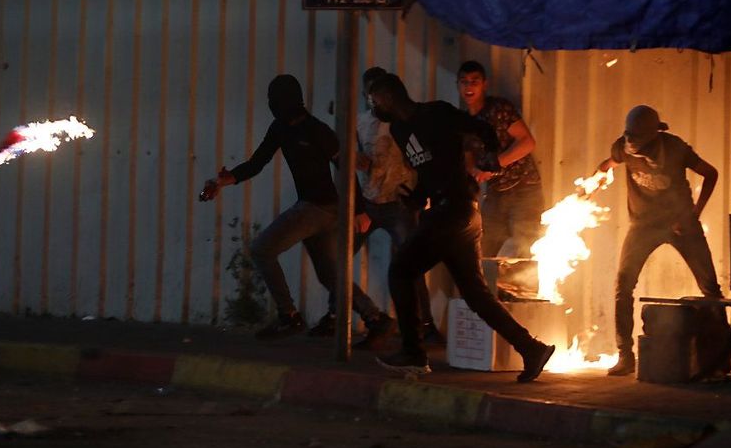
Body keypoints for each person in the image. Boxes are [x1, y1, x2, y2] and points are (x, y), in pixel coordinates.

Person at [366, 73, 555, 382]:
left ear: (388, 98)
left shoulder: (436, 113)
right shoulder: (400, 130)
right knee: (475, 295)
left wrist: (492, 154)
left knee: (401, 271)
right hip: (448, 212)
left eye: (374, 100)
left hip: (456, 210)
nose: (372, 106)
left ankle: (413, 354)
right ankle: (532, 349)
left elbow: (481, 128)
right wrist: (417, 197)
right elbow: (429, 170)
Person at [200, 74, 392, 343]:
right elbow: (257, 162)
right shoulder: (279, 128)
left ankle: (288, 316)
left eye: (275, 100)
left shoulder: (317, 130)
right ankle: (376, 319)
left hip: (319, 208)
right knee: (329, 275)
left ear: (288, 100)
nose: (272, 105)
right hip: (317, 210)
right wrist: (225, 179)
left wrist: (359, 210)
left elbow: (345, 169)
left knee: (261, 249)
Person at [593, 105, 725, 376]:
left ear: (655, 135)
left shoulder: (674, 147)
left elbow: (711, 173)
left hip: (681, 226)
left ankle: (721, 359)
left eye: (637, 137)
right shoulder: (622, 147)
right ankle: (625, 356)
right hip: (643, 226)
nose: (631, 142)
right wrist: (598, 177)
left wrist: (693, 215)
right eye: (628, 135)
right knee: (623, 286)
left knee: (710, 289)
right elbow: (608, 164)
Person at [353, 67, 441, 347]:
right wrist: (358, 206)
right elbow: (348, 165)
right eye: (369, 94)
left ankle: (425, 326)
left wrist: (419, 196)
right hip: (370, 201)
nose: (373, 100)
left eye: (377, 95)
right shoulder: (360, 123)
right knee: (335, 260)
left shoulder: (403, 122)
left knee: (409, 266)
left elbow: (425, 158)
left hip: (399, 203)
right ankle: (360, 316)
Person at [457, 61, 545, 257]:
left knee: (526, 251)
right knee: (484, 249)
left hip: (525, 188)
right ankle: (488, 287)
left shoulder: (498, 109)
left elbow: (527, 142)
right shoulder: (463, 121)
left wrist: (494, 165)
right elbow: (469, 157)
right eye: (464, 82)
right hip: (496, 193)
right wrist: (474, 175)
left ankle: (524, 288)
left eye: (474, 81)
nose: (469, 87)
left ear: (484, 84)